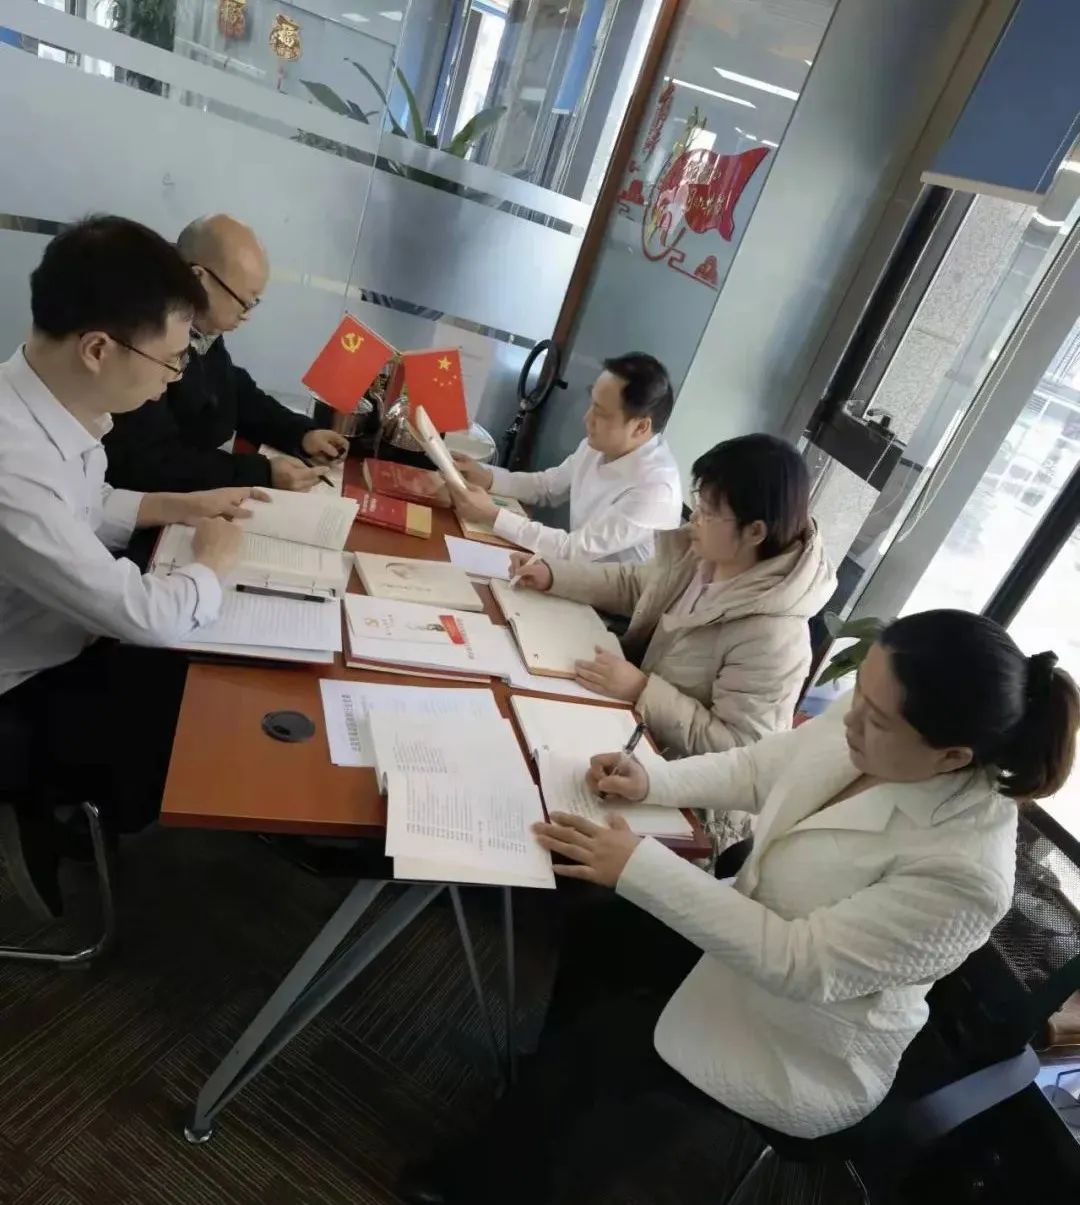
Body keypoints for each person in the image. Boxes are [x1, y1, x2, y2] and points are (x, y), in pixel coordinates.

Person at [402, 610, 1079, 1205]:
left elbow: (801, 964)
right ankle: (541, 1102)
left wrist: (639, 864)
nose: (850, 716)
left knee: (608, 1047)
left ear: (952, 756)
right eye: (860, 693)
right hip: (749, 931)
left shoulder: (966, 872)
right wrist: (651, 781)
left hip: (802, 1033)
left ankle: (502, 1181)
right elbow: (760, 768)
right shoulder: (876, 726)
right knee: (602, 932)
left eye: (875, 717)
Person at [0, 216, 255, 920]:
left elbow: (88, 504)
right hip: (19, 681)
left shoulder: (47, 403)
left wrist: (180, 504)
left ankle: (74, 809)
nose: (176, 377)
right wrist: (212, 563)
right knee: (187, 704)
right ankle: (47, 808)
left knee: (190, 680)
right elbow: (146, 614)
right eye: (170, 360)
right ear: (97, 349)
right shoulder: (13, 465)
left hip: (55, 635)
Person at [510, 435, 834, 844]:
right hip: (629, 730)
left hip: (683, 797)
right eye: (699, 501)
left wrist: (642, 690)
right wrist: (553, 574)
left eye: (709, 512)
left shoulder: (774, 637)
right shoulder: (705, 555)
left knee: (528, 802)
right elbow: (634, 584)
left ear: (755, 532)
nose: (694, 517)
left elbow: (740, 754)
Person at [103, 214, 348, 494]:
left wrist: (299, 433)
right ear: (199, 279)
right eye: (244, 301)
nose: (247, 314)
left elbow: (231, 386)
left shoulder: (199, 327)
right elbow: (150, 463)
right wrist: (260, 472)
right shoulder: (144, 335)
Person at [449, 353, 682, 563]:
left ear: (641, 427)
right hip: (575, 576)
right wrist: (487, 477)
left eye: (601, 413)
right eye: (592, 404)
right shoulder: (600, 445)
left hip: (603, 595)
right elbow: (547, 487)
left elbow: (574, 550)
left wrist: (493, 515)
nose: (587, 418)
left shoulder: (656, 489)